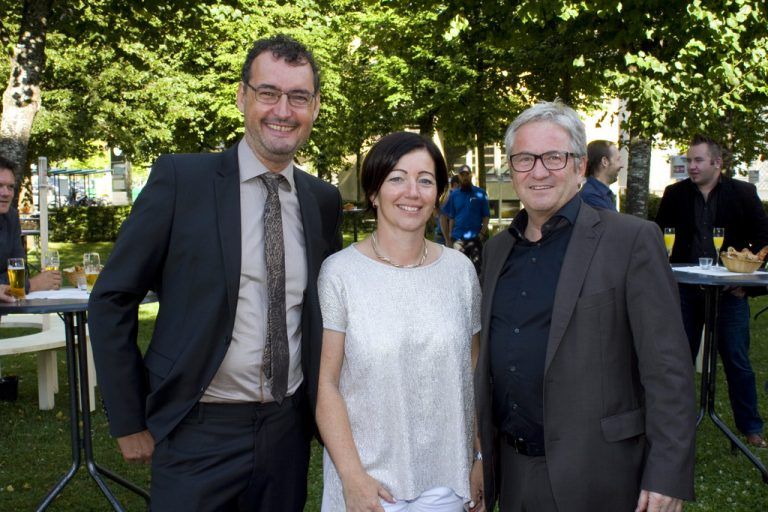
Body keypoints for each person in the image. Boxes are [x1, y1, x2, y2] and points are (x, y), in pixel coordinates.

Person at [88, 35, 343, 511]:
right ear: (242, 96)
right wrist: (127, 418)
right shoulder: (181, 180)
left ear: (314, 107)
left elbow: (327, 313)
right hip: (196, 429)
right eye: (268, 92)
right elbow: (112, 298)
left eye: (298, 97)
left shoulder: (322, 201)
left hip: (286, 432)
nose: (282, 110)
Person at [475, 101, 696, 512]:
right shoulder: (496, 251)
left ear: (579, 167)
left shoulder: (630, 240)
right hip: (513, 472)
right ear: (511, 169)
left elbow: (668, 368)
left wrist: (667, 472)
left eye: (553, 157)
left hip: (600, 473)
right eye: (525, 159)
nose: (538, 171)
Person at [316, 132, 484, 512]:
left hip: (448, 484)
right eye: (397, 178)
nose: (412, 192)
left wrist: (479, 457)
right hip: (369, 487)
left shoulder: (460, 272)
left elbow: (473, 371)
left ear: (438, 194)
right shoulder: (339, 274)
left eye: (425, 180)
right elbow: (326, 384)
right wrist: (352, 477)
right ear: (374, 193)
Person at [655, 134, 768, 449]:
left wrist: (745, 281)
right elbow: (658, 236)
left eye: (698, 160)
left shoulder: (742, 193)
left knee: (736, 359)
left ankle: (751, 428)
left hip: (729, 293)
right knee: (678, 360)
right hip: (685, 291)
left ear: (717, 163)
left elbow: (763, 238)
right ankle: (673, 425)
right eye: (689, 160)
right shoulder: (675, 194)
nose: (691, 166)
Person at [0, 155, 62, 294]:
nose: (6, 193)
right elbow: (18, 280)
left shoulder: (11, 217)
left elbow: (19, 271)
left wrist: (13, 285)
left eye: (10, 187)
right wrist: (33, 285)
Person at [441, 165, 490, 274]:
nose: (465, 177)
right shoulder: (454, 195)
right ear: (459, 177)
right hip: (458, 239)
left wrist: (482, 233)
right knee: (459, 271)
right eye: (462, 175)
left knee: (477, 271)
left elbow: (486, 216)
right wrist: (449, 236)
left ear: (471, 175)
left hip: (475, 238)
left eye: (467, 174)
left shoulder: (481, 193)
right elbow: (451, 216)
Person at [579, 140, 621, 210]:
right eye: (618, 160)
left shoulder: (601, 193)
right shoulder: (591, 196)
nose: (621, 165)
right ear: (605, 162)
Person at [434, 174, 459, 244]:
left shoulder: (448, 194)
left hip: (443, 235)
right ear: (456, 185)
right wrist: (447, 240)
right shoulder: (451, 196)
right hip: (443, 237)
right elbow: (443, 218)